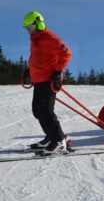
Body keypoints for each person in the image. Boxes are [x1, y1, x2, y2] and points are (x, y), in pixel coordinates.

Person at [22, 11, 72, 155]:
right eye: (27, 29)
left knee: (46, 111)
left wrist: (57, 72)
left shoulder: (50, 38)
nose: (29, 31)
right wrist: (29, 70)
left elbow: (67, 53)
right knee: (37, 111)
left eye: (30, 28)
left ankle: (59, 141)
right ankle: (51, 137)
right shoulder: (35, 39)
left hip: (49, 81)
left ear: (39, 23)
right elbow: (37, 57)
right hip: (38, 80)